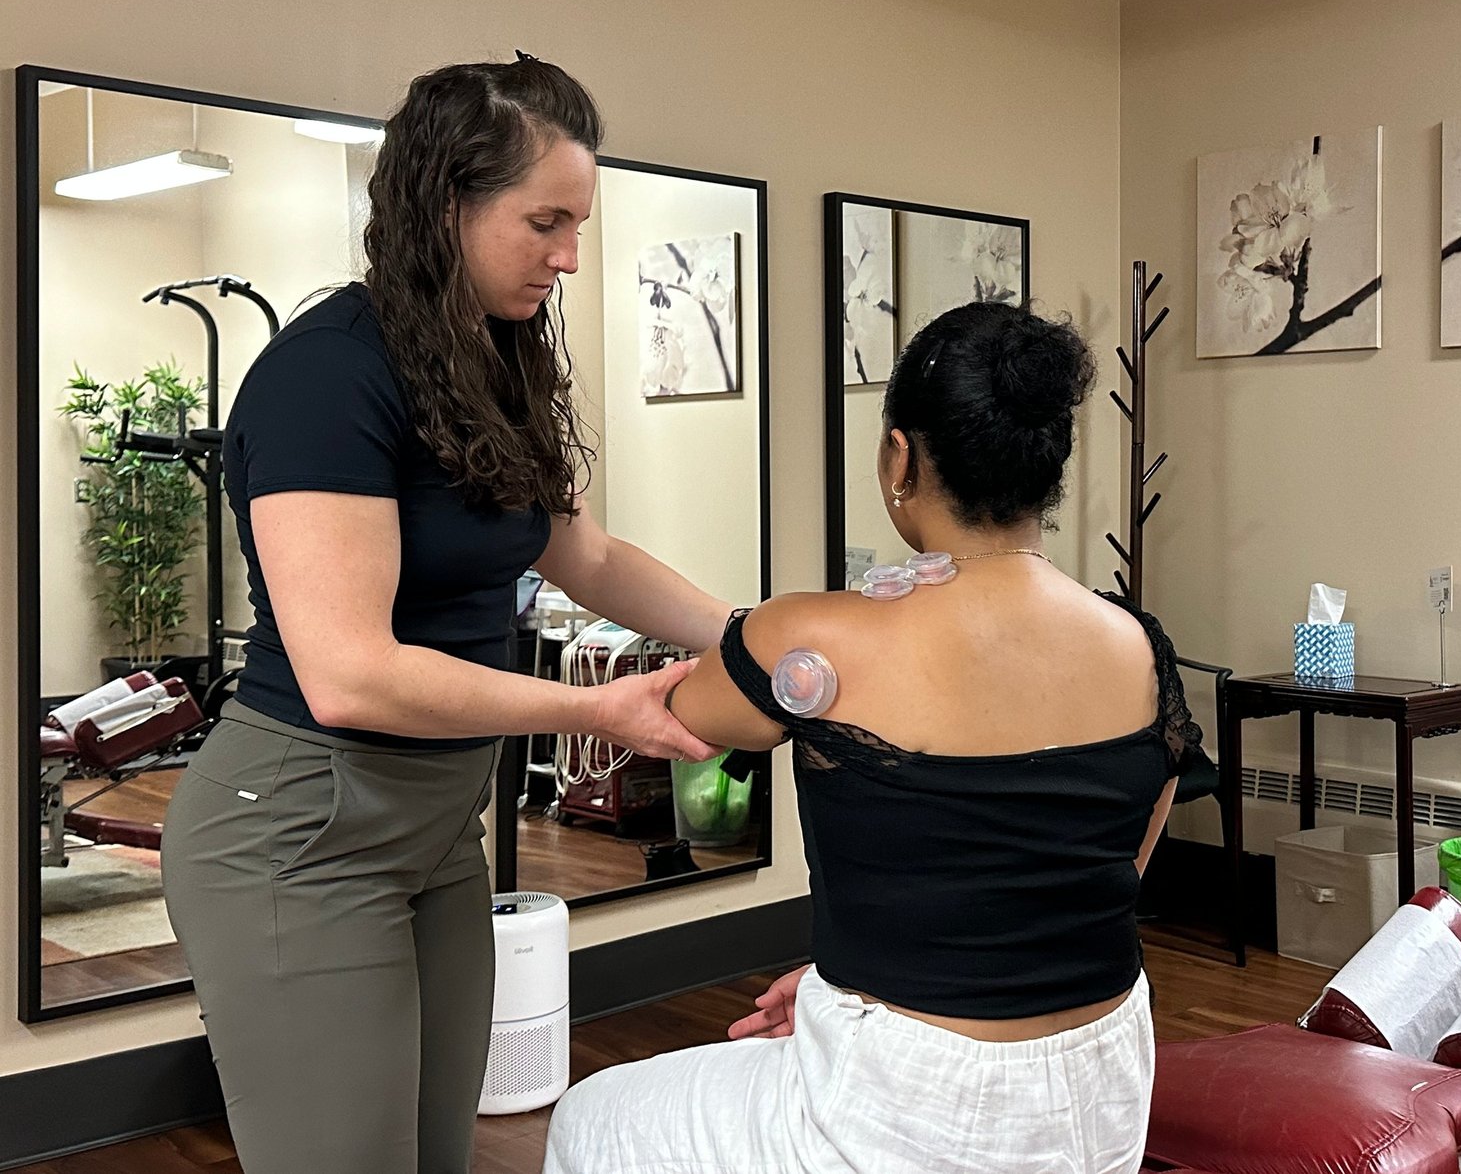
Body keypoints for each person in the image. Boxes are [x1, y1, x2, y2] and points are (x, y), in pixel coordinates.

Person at [161, 56, 728, 1174]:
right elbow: (350, 674)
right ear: (446, 203)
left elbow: (587, 554)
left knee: (436, 1156)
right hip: (299, 830)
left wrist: (752, 632)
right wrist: (601, 706)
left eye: (580, 224)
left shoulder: (490, 360)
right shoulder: (324, 375)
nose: (570, 255)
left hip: (432, 830)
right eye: (546, 221)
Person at [543, 300, 1203, 1174]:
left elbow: (675, 716)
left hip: (912, 1114)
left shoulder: (813, 639)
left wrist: (788, 630)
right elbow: (1111, 870)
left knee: (592, 1119)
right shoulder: (1139, 645)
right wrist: (836, 991)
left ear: (901, 459)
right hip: (1103, 1093)